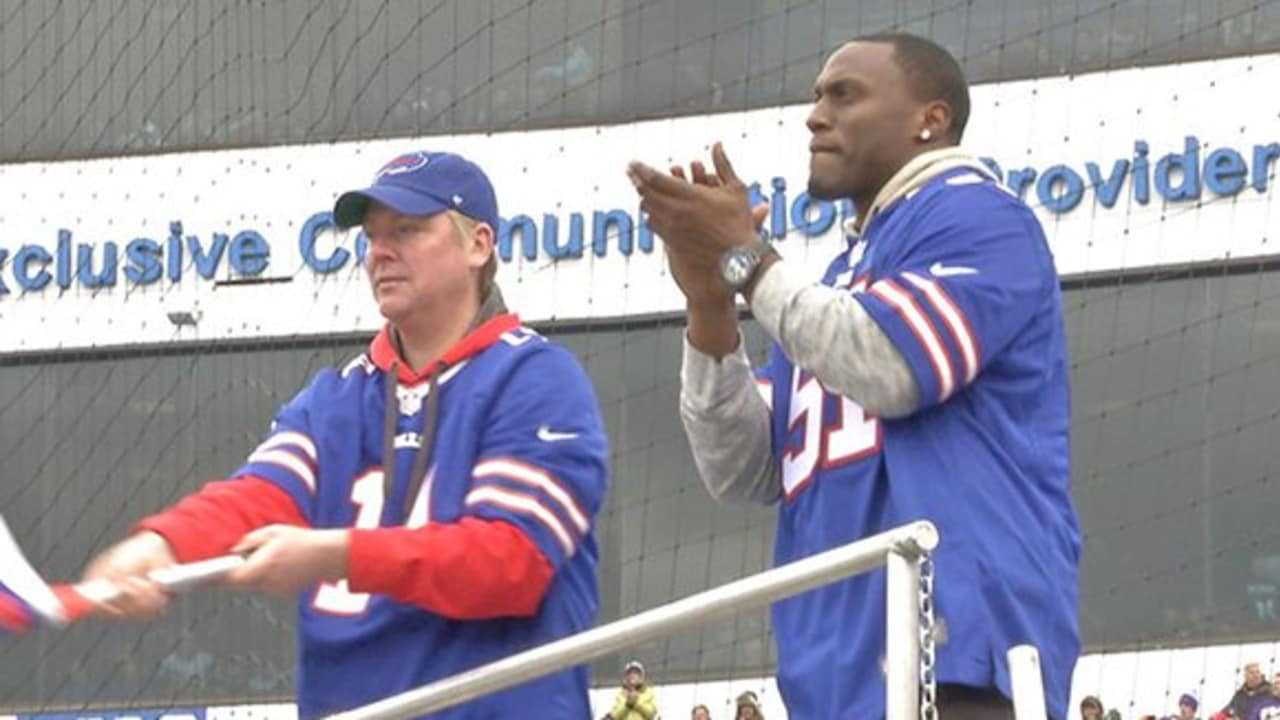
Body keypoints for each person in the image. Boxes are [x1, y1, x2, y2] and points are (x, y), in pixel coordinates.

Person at [628, 31, 1080, 720]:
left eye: (845, 94)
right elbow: (742, 468)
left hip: (954, 666)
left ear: (930, 119)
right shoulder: (834, 284)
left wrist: (746, 262)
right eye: (815, 97)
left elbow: (894, 367)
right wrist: (710, 301)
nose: (815, 114)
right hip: (833, 680)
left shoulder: (980, 214)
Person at [81, 150, 610, 718]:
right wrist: (159, 545)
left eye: (407, 230)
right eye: (373, 235)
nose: (380, 251)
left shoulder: (535, 380)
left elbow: (511, 562)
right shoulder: (335, 398)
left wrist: (337, 554)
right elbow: (258, 497)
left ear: (478, 245)